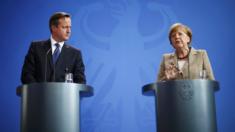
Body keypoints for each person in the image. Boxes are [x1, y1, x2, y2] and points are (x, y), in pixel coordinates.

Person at [21, 12, 86, 84]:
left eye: (70, 27)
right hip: (38, 94)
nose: (69, 31)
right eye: (64, 27)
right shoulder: (36, 48)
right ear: (53, 28)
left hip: (64, 95)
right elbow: (26, 75)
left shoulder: (75, 54)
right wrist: (39, 91)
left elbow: (81, 82)